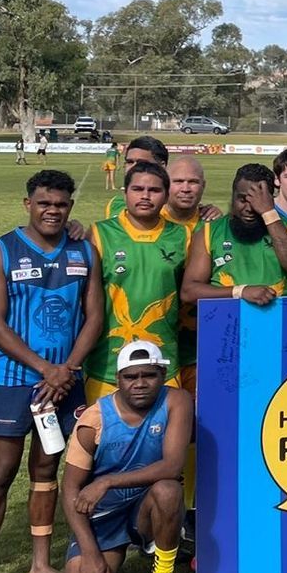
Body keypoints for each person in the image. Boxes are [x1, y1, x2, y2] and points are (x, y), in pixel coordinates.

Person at [0, 169, 104, 573]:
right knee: (0, 475)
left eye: (62, 204)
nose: (53, 211)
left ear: (70, 207)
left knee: (47, 472)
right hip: (13, 381)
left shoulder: (84, 250)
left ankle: (40, 563)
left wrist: (67, 369)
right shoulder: (0, 251)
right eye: (45, 203)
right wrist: (47, 368)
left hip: (65, 383)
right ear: (27, 204)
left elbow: (94, 318)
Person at [59, 339, 192, 573]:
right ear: (118, 380)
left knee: (169, 490)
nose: (140, 383)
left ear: (162, 375)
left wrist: (107, 481)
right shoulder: (93, 420)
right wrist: (91, 554)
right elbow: (70, 491)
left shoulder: (176, 401)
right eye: (131, 377)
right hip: (104, 518)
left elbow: (172, 465)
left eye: (149, 375)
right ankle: (111, 557)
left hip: (145, 505)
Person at [85, 161, 189, 403]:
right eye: (137, 189)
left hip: (164, 361)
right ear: (125, 193)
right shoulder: (99, 234)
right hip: (107, 363)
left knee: (159, 438)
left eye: (154, 190)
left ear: (165, 196)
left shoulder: (183, 236)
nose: (145, 196)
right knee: (105, 438)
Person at [183, 163, 287, 308]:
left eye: (257, 202)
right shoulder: (209, 232)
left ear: (270, 200)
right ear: (233, 196)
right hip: (227, 324)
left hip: (278, 325)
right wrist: (240, 292)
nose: (249, 208)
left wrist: (268, 213)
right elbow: (189, 292)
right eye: (243, 200)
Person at [99, 136, 169, 215]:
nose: (133, 168)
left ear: (162, 166)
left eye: (141, 162)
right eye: (130, 162)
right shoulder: (115, 204)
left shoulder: (175, 209)